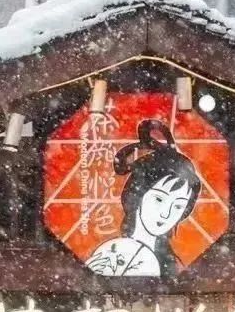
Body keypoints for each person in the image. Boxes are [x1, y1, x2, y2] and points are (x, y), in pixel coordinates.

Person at [86, 119, 202, 277]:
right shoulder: (108, 254)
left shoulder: (173, 265)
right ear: (137, 195)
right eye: (159, 199)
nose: (166, 214)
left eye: (178, 206)